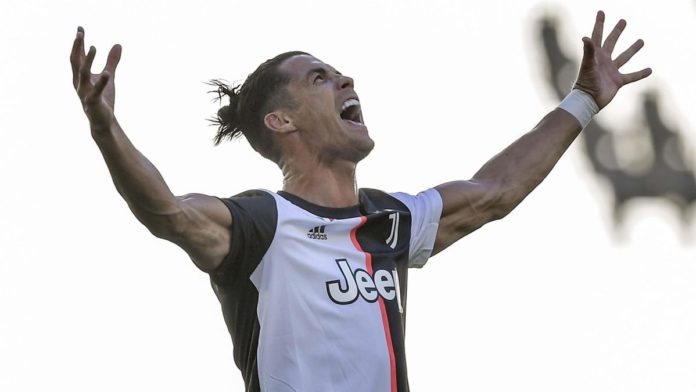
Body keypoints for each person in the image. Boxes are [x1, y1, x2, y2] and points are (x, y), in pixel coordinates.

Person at [70, 10, 651, 392]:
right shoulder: (263, 224)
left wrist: (584, 99)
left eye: (341, 74)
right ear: (282, 120)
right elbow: (167, 210)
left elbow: (494, 193)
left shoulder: (389, 221)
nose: (347, 81)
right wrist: (104, 127)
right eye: (320, 79)